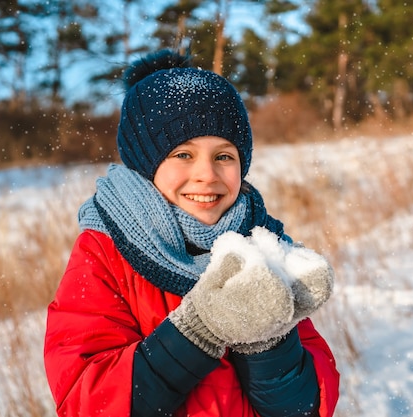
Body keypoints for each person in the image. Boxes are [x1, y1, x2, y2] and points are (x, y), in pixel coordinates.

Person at [43, 49, 340, 417]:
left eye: (224, 156)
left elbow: (304, 407)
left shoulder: (259, 244)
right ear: (144, 163)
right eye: (183, 155)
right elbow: (88, 400)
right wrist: (198, 331)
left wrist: (268, 337)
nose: (207, 174)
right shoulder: (106, 251)